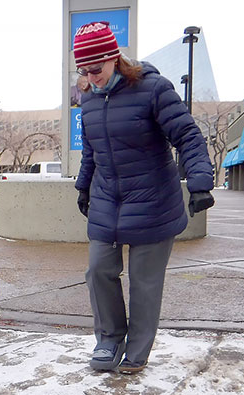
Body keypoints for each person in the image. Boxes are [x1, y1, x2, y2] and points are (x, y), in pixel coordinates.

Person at [73, 22, 215, 374]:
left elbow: (188, 136)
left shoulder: (152, 88)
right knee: (98, 270)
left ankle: (137, 350)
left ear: (114, 58)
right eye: (85, 71)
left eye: (98, 69)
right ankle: (109, 338)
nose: (92, 77)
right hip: (109, 198)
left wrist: (199, 181)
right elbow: (91, 149)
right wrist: (83, 185)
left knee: (144, 280)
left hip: (154, 199)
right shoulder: (89, 99)